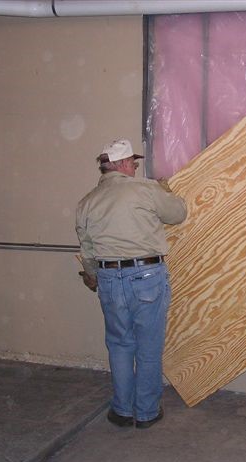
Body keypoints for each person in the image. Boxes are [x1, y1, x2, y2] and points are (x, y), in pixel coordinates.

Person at [76, 138, 187, 429]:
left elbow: (86, 251)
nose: (135, 167)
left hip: (109, 279)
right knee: (148, 348)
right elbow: (178, 214)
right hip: (146, 277)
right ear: (122, 164)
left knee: (119, 345)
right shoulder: (145, 190)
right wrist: (166, 189)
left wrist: (91, 276)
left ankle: (122, 410)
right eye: (133, 163)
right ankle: (147, 412)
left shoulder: (87, 202)